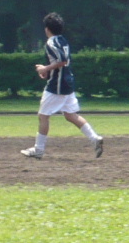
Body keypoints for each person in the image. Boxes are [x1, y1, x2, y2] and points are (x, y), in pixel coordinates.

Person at [20, 12, 104, 160]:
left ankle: (38, 150)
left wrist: (45, 68)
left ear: (47, 29)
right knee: (71, 115)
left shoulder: (51, 42)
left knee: (43, 116)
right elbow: (61, 62)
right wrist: (48, 71)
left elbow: (62, 60)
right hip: (67, 82)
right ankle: (94, 138)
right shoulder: (63, 40)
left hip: (57, 85)